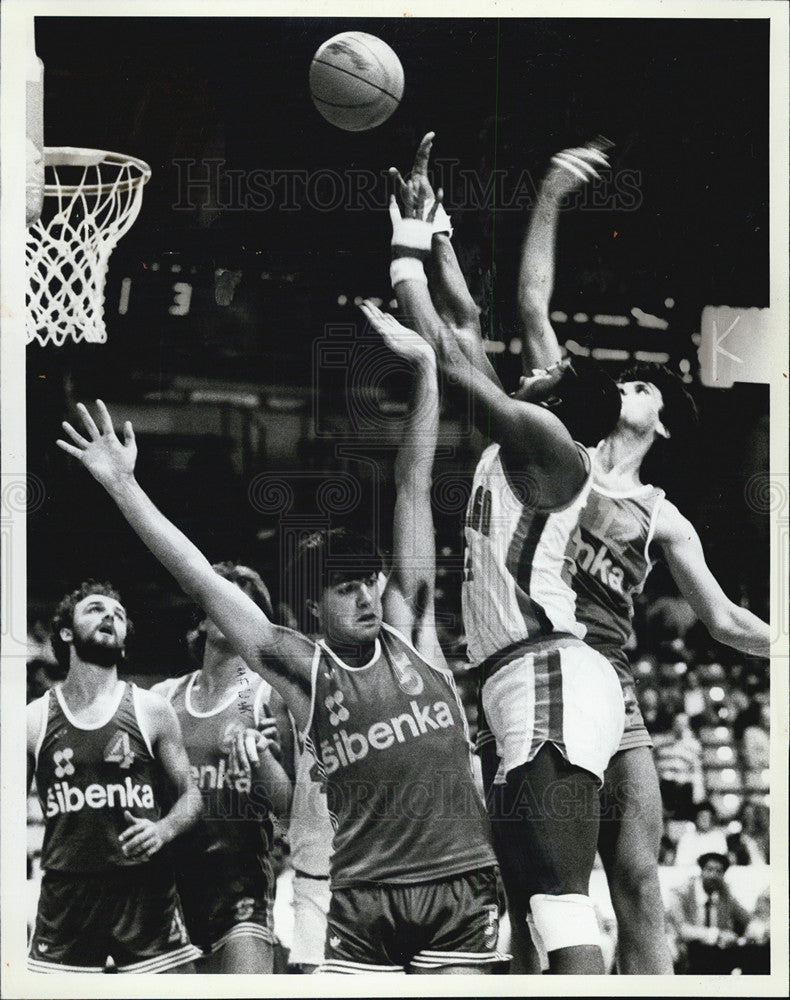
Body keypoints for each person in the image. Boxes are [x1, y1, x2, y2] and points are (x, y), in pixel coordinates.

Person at [424, 135, 770, 972]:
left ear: (666, 426)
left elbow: (723, 619)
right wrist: (549, 192)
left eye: (650, 388)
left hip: (606, 683)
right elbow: (533, 304)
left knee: (638, 878)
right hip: (530, 666)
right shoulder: (563, 442)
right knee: (540, 881)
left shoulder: (659, 513)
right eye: (634, 381)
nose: (635, 385)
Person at [57, 339, 502, 976]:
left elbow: (413, 486)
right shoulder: (301, 668)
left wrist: (428, 372)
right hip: (359, 896)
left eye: (369, 580)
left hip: (458, 880)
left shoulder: (413, 629)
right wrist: (126, 487)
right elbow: (197, 577)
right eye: (345, 587)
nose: (366, 595)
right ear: (314, 609)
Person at [385, 133, 626, 975]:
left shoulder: (548, 442)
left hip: (551, 671)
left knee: (558, 896)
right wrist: (442, 224)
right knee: (529, 903)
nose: (535, 365)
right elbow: (488, 315)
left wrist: (406, 254)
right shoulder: (540, 428)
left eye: (547, 370)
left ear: (557, 399)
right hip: (511, 677)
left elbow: (454, 358)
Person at [26, 581, 203, 974]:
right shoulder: (33, 719)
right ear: (66, 632)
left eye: (119, 614)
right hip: (67, 898)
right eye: (94, 609)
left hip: (145, 892)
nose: (110, 616)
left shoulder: (152, 709)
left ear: (124, 643)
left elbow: (190, 796)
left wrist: (164, 830)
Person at [152, 562, 293, 973]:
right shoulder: (163, 697)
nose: (228, 607)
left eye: (241, 601)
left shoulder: (270, 695)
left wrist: (261, 756)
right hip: (168, 889)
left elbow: (287, 804)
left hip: (240, 886)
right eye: (219, 596)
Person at [665, 852, 751, 973]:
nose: (713, 875)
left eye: (718, 871)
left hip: (716, 952)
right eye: (709, 869)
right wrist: (718, 934)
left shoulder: (724, 891)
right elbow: (682, 930)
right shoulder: (681, 893)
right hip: (685, 949)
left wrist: (756, 929)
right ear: (701, 871)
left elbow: (746, 918)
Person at [674, 801, 729, 868]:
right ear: (696, 819)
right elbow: (680, 862)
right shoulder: (686, 838)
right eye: (702, 817)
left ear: (712, 819)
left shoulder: (719, 837)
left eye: (707, 817)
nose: (704, 820)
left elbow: (720, 862)